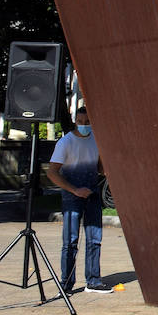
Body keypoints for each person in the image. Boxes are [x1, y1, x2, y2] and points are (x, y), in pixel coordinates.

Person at [45, 105, 110, 294]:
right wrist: (74, 190)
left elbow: (99, 168)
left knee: (94, 239)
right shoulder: (65, 143)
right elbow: (52, 173)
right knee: (70, 241)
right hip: (72, 197)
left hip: (92, 195)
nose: (84, 126)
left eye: (88, 122)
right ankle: (66, 283)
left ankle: (94, 280)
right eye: (80, 122)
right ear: (75, 121)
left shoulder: (96, 141)